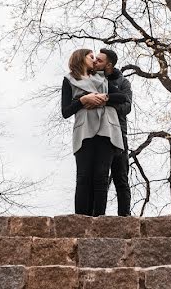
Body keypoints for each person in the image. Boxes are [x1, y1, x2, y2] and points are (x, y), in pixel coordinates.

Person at [60, 48, 127, 216]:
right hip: (84, 132)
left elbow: (122, 97)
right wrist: (83, 100)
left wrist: (102, 98)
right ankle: (81, 219)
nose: (94, 60)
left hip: (107, 130)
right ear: (80, 59)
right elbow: (66, 111)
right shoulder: (69, 80)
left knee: (101, 176)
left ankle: (99, 219)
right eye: (91, 57)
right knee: (83, 176)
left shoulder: (102, 79)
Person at [96, 48, 132, 216]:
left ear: (109, 65)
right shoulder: (92, 79)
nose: (95, 62)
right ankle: (97, 218)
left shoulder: (123, 83)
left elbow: (127, 107)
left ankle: (125, 218)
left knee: (121, 178)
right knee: (99, 178)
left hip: (118, 133)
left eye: (100, 60)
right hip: (97, 134)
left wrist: (105, 100)